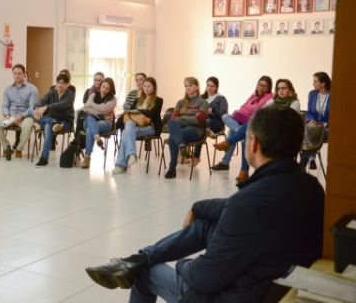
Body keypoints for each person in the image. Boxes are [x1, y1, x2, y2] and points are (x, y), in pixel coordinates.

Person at [85, 106, 324, 303]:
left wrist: (183, 265)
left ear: (253, 144)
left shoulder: (248, 204)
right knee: (207, 223)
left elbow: (203, 278)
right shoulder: (310, 187)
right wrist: (199, 206)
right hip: (270, 282)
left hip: (235, 295)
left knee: (146, 274)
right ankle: (138, 258)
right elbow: (236, 207)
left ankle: (139, 263)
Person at [215, 78, 300, 182]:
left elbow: (288, 121)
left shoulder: (294, 103)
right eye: (279, 89)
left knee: (245, 129)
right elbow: (258, 114)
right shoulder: (272, 101)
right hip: (268, 131)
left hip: (283, 135)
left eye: (284, 88)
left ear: (290, 90)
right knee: (245, 130)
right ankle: (243, 170)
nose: (281, 91)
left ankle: (230, 144)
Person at [211, 76, 273, 181]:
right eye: (260, 84)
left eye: (265, 86)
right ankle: (240, 133)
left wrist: (248, 113)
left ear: (269, 88)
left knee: (240, 134)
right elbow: (243, 107)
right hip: (241, 121)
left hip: (254, 125)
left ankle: (232, 165)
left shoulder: (270, 98)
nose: (261, 88)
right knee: (225, 116)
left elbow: (258, 115)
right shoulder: (253, 96)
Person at [113, 77, 162, 175]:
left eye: (149, 86)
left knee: (125, 133)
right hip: (136, 126)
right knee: (128, 127)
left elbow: (153, 113)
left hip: (151, 127)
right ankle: (131, 154)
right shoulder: (138, 100)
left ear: (154, 88)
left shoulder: (158, 100)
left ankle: (121, 165)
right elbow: (128, 112)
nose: (146, 88)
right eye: (144, 86)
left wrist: (138, 111)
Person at [0, 63, 38, 160]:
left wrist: (22, 116)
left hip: (25, 116)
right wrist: (7, 114)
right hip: (10, 116)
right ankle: (7, 147)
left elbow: (32, 108)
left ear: (24, 74)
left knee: (28, 125)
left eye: (19, 73)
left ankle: (19, 149)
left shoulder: (32, 89)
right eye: (15, 73)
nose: (17, 76)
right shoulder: (8, 90)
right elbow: (5, 105)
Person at [164, 77, 208, 179]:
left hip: (195, 131)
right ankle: (182, 146)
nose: (188, 88)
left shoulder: (203, 102)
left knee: (172, 135)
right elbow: (174, 118)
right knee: (171, 136)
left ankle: (172, 168)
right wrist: (185, 119)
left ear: (197, 87)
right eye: (186, 86)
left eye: (190, 85)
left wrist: (182, 119)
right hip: (180, 130)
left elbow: (198, 120)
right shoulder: (180, 102)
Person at [32, 72, 75, 166]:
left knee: (47, 125)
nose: (60, 85)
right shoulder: (52, 93)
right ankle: (44, 158)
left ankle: (44, 158)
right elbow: (41, 101)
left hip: (65, 121)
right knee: (34, 115)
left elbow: (63, 105)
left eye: (63, 83)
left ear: (68, 85)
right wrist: (37, 108)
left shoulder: (70, 95)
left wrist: (47, 107)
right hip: (52, 120)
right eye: (58, 82)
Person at [190, 77, 228, 166]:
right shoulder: (201, 98)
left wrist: (212, 111)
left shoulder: (221, 98)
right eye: (208, 85)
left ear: (216, 87)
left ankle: (196, 156)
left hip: (217, 123)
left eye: (212, 86)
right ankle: (187, 152)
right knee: (193, 124)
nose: (209, 88)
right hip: (203, 122)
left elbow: (223, 115)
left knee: (204, 124)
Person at [81, 77, 117, 169]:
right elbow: (86, 108)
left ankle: (87, 157)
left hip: (106, 123)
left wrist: (93, 106)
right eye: (103, 86)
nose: (104, 89)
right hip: (89, 120)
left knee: (90, 129)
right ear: (101, 86)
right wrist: (100, 110)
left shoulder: (113, 99)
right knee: (89, 117)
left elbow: (104, 109)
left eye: (107, 88)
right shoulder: (93, 95)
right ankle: (97, 137)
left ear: (110, 90)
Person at [300, 72, 331, 169]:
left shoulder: (334, 94)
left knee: (312, 132)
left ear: (323, 83)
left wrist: (326, 124)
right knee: (308, 129)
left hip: (327, 128)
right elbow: (309, 112)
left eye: (315, 82)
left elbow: (337, 114)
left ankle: (306, 160)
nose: (313, 84)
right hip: (313, 125)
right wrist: (311, 120)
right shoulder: (312, 94)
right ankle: (310, 158)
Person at [75, 71, 105, 147]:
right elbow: (85, 103)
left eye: (99, 80)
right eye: (95, 80)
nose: (97, 82)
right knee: (80, 116)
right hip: (88, 113)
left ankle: (80, 144)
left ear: (103, 81)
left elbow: (102, 106)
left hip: (99, 116)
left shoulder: (105, 92)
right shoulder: (88, 91)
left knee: (86, 118)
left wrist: (92, 105)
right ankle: (77, 143)